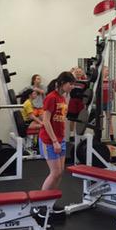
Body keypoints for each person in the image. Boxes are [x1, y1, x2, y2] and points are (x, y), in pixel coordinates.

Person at [35, 71, 76, 219]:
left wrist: (60, 139)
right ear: (63, 83)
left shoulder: (63, 97)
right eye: (70, 84)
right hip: (49, 140)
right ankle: (39, 205)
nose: (72, 87)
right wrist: (54, 141)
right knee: (55, 173)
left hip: (60, 139)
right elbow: (46, 121)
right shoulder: (51, 97)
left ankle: (49, 204)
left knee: (59, 173)